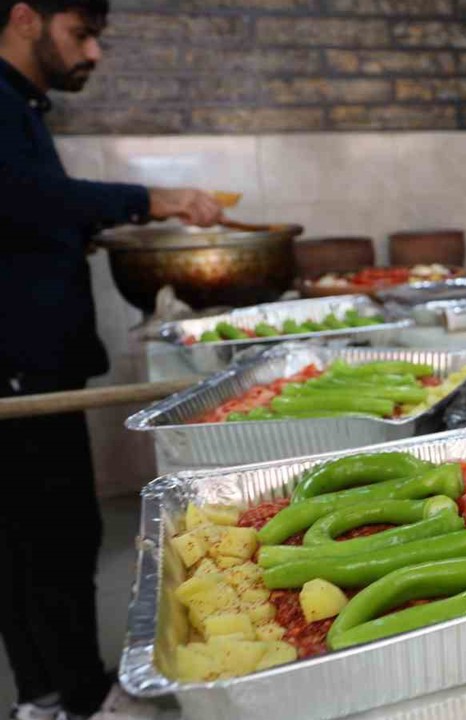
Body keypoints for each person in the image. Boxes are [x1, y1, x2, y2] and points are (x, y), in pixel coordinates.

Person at [0, 2, 222, 718]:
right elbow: (23, 196)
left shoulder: (22, 106)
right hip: (17, 364)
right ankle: (69, 695)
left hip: (33, 357)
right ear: (26, 17)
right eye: (81, 33)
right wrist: (149, 199)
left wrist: (69, 238)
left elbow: (23, 216)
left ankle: (54, 692)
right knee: (49, 537)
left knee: (44, 535)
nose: (93, 52)